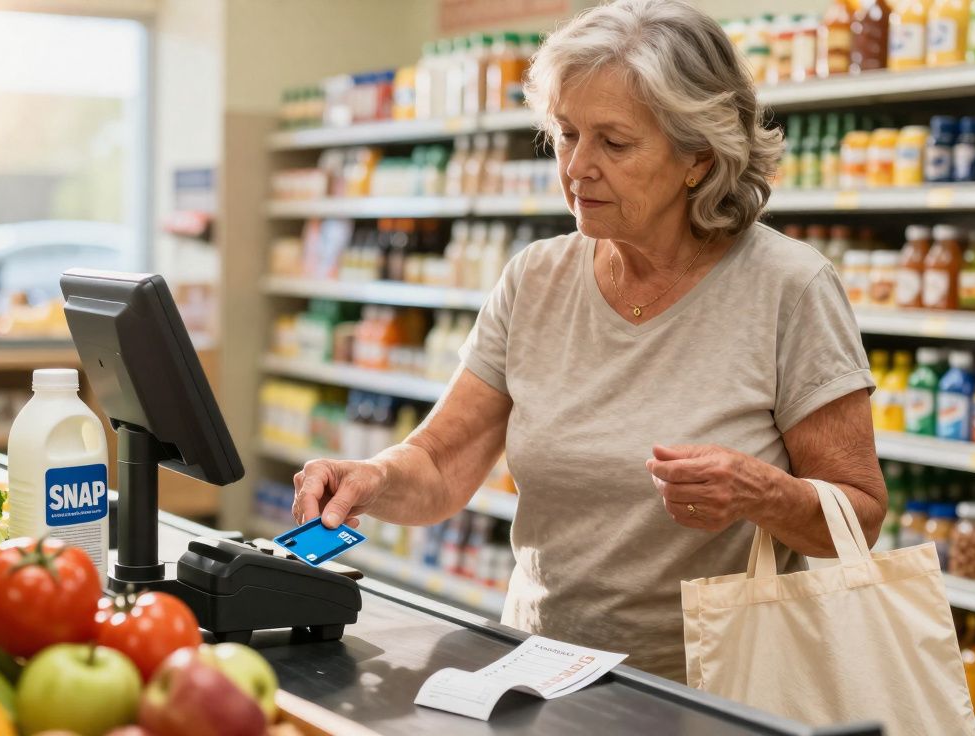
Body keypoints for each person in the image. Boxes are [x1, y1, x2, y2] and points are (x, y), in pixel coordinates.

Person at [293, 0, 887, 682]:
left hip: (716, 691)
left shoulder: (789, 288)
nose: (577, 167)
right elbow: (439, 465)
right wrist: (372, 479)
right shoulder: (536, 277)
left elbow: (859, 516)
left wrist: (765, 496)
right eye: (567, 134)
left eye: (614, 142)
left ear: (698, 155)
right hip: (538, 673)